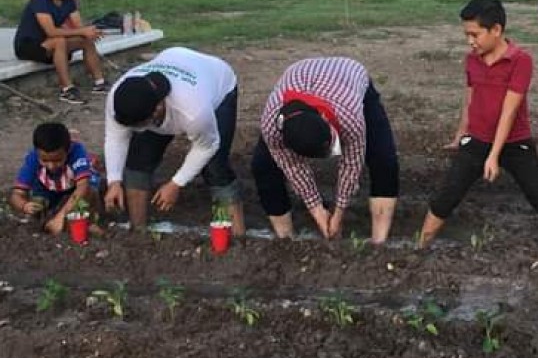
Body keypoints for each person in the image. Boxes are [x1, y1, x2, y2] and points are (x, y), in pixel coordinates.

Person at [419, 0, 538, 249]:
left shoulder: (520, 60)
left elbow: (509, 111)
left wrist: (493, 155)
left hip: (515, 142)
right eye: (466, 36)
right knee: (448, 193)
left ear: (496, 30)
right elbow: (469, 98)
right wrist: (461, 133)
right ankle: (420, 246)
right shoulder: (472, 60)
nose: (470, 42)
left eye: (475, 35)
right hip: (478, 138)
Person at [252, 57, 398, 244]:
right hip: (300, 75)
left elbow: (351, 165)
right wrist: (318, 211)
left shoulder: (350, 115)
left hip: (348, 75)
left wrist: (338, 213)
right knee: (262, 165)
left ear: (325, 119)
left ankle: (379, 243)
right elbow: (293, 167)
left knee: (384, 158)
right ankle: (285, 241)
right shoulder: (271, 127)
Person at [103, 47, 244, 236]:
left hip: (217, 82)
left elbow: (207, 146)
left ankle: (237, 236)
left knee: (215, 166)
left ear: (158, 108)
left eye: (141, 124)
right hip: (174, 59)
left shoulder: (194, 111)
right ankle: (138, 231)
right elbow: (115, 138)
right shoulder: (119, 98)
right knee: (138, 158)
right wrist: (114, 181)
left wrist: (176, 184)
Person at [13, 0, 107, 105]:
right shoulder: (40, 0)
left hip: (50, 43)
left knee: (85, 40)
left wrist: (89, 31)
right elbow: (51, 31)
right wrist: (82, 31)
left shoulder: (68, 0)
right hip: (28, 45)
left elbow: (78, 27)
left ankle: (100, 83)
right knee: (59, 41)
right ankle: (67, 89)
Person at [9, 122, 102, 235]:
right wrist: (24, 206)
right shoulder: (33, 158)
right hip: (48, 189)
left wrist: (60, 217)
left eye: (57, 160)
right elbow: (16, 194)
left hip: (76, 186)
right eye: (45, 160)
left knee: (89, 194)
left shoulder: (77, 151)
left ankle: (89, 219)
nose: (51, 166)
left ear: (67, 151)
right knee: (37, 206)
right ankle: (61, 216)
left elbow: (83, 187)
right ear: (37, 153)